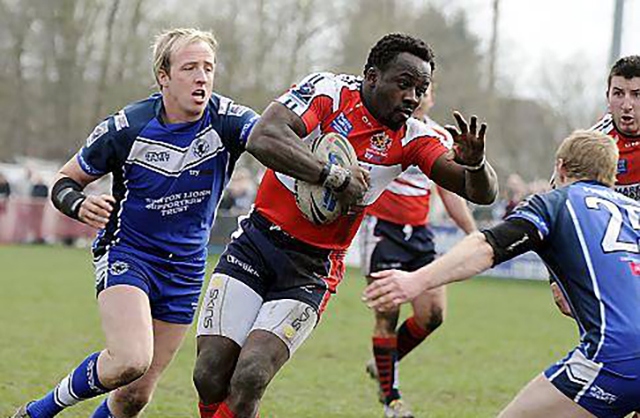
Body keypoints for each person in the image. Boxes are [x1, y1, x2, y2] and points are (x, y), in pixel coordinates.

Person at [193, 33, 498, 418]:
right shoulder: (329, 92)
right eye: (404, 84)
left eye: (421, 89)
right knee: (209, 373)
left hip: (310, 269)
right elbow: (263, 136)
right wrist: (333, 176)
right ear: (372, 76)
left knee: (251, 374)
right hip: (255, 243)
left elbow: (480, 192)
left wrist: (476, 165)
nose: (412, 97)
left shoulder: (414, 138)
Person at [11, 27, 311, 418]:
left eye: (208, 67)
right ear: (163, 77)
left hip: (185, 268)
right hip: (129, 253)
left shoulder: (228, 120)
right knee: (129, 359)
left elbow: (270, 137)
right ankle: (36, 413)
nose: (202, 77)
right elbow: (64, 182)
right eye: (189, 68)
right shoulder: (128, 126)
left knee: (134, 396)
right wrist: (78, 204)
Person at [364, 130, 640, 418]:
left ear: (560, 167)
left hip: (616, 356)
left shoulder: (557, 202)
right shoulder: (634, 211)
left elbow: (486, 247)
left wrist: (415, 280)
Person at [360, 85, 477, 417]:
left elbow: (449, 192)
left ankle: (385, 361)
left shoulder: (439, 137)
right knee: (388, 314)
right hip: (382, 229)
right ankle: (391, 399)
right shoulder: (384, 128)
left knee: (433, 315)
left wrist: (473, 233)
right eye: (410, 88)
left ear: (432, 97)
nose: (418, 95)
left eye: (424, 89)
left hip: (420, 234)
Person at [550, 55, 640, 316]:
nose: (627, 105)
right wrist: (555, 276)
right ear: (607, 96)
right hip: (612, 251)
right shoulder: (592, 144)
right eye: (618, 93)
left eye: (637, 94)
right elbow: (556, 208)